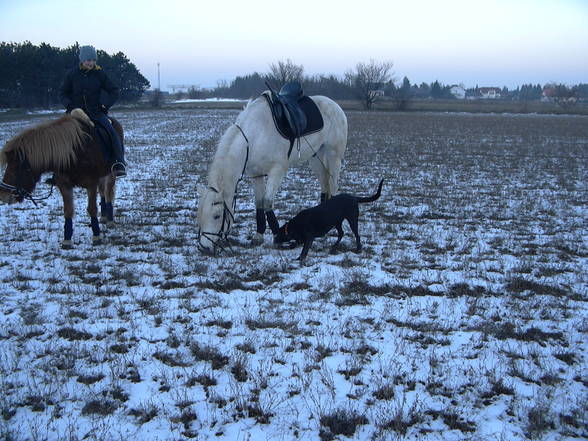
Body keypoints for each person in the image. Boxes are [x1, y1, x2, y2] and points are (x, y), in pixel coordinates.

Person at [60, 45, 126, 177]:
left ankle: (118, 163)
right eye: (88, 60)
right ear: (82, 60)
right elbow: (62, 93)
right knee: (60, 137)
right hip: (75, 114)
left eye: (93, 60)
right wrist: (70, 106)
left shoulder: (100, 74)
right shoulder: (72, 74)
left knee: (111, 132)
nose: (91, 63)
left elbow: (114, 91)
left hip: (96, 113)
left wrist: (104, 105)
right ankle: (58, 173)